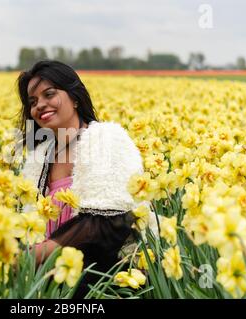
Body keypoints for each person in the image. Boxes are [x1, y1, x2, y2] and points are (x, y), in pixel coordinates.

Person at [17, 60, 157, 298]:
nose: (40, 105)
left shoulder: (107, 139)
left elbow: (113, 219)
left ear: (74, 97)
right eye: (32, 102)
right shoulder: (39, 157)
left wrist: (38, 254)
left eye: (49, 94)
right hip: (48, 284)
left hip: (104, 282)